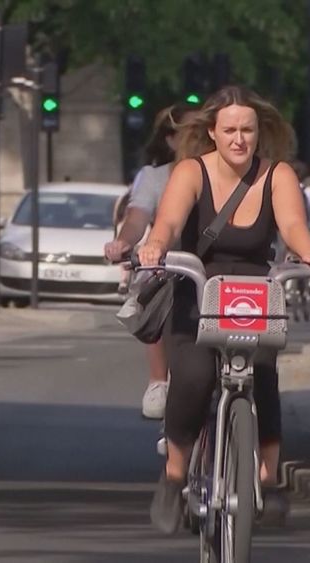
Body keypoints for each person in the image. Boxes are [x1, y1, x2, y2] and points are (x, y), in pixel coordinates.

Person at [136, 86, 310, 533]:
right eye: (229, 130)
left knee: (263, 372)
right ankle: (174, 474)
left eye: (247, 130)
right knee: (193, 375)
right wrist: (155, 245)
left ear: (259, 132)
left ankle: (268, 476)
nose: (239, 139)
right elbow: (168, 222)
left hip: (253, 294)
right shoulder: (190, 172)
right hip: (196, 286)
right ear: (213, 132)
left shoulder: (277, 175)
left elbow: (292, 225)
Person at [104, 104, 196, 420]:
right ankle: (159, 380)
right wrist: (124, 242)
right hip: (173, 263)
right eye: (189, 136)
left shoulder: (226, 172)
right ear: (170, 140)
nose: (199, 143)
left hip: (219, 266)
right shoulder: (155, 178)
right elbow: (137, 218)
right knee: (156, 288)